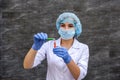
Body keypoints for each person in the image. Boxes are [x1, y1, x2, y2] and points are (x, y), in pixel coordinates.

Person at [23, 12, 89, 80]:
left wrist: (68, 59)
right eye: (63, 25)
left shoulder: (83, 48)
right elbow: (27, 65)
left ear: (76, 28)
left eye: (70, 26)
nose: (66, 29)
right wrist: (35, 48)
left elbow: (79, 76)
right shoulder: (48, 45)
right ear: (59, 27)